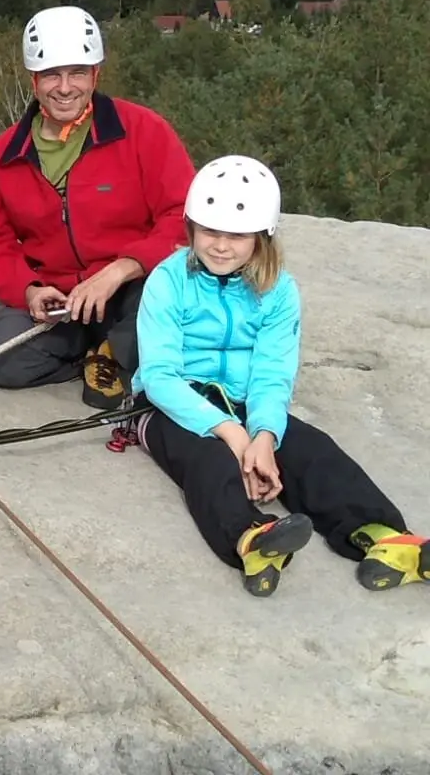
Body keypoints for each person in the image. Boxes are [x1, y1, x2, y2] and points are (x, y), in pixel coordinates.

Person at [133, 156, 425, 596]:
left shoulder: (279, 290)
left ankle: (380, 535)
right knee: (208, 460)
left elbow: (272, 371)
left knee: (310, 449)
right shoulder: (168, 281)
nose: (220, 246)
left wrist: (265, 434)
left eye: (237, 235)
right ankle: (251, 537)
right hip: (172, 403)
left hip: (246, 398)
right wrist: (235, 436)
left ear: (262, 236)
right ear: (191, 228)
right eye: (210, 231)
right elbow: (158, 375)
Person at [0, 5, 196, 408]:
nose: (64, 87)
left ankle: (116, 350)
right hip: (62, 299)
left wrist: (122, 268)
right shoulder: (3, 155)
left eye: (77, 73)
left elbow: (182, 215)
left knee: (180, 305)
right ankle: (97, 354)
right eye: (51, 75)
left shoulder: (143, 131)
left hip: (132, 288)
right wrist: (30, 290)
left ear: (96, 74)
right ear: (34, 80)